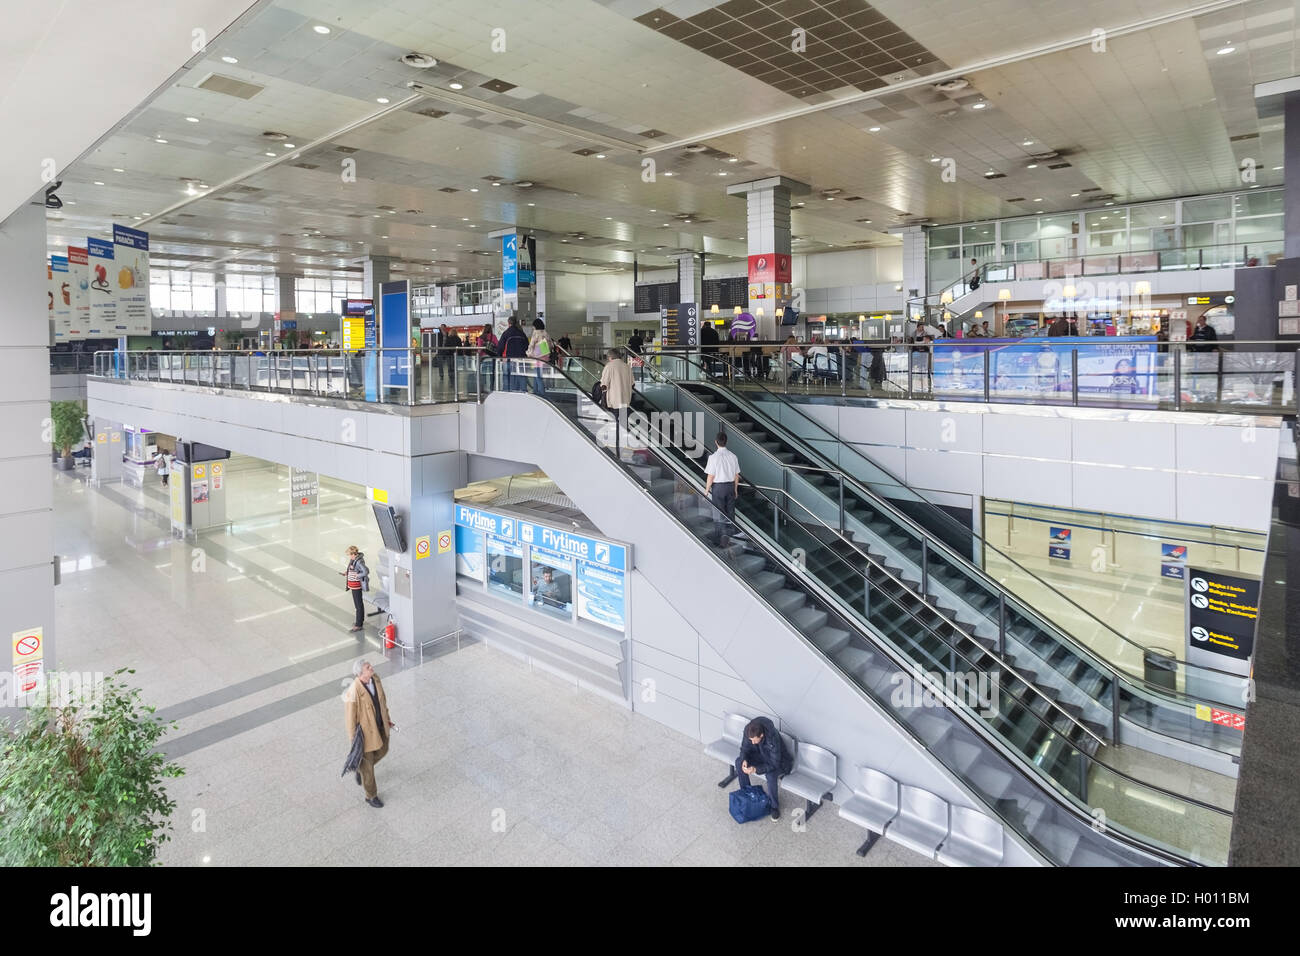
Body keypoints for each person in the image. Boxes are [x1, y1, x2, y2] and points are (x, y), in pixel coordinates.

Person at [344, 658, 395, 808]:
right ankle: (370, 796)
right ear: (361, 673)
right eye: (368, 667)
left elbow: (382, 701)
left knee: (383, 749)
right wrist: (353, 738)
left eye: (369, 665)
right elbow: (349, 718)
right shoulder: (353, 691)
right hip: (365, 734)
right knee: (368, 767)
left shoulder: (376, 679)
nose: (371, 667)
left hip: (379, 725)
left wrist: (387, 718)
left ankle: (360, 770)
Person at [734, 716, 792, 822]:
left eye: (754, 740)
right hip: (760, 755)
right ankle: (747, 793)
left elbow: (774, 763)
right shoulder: (749, 731)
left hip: (779, 762)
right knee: (739, 762)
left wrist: (756, 769)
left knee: (770, 775)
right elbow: (744, 748)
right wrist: (744, 759)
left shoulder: (772, 739)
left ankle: (774, 807)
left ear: (761, 735)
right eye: (751, 740)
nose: (752, 743)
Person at [703, 432, 741, 547]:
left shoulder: (713, 457)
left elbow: (711, 476)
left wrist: (706, 490)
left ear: (716, 442)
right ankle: (731, 537)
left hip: (718, 488)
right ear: (726, 442)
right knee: (730, 512)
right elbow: (736, 475)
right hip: (730, 486)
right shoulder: (733, 456)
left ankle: (720, 539)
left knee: (719, 513)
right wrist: (735, 489)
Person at [497, 314, 530, 392]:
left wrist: (499, 357)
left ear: (509, 323)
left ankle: (507, 392)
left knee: (506, 376)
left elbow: (500, 347)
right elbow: (527, 346)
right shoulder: (521, 333)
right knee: (521, 375)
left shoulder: (506, 333)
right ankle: (522, 391)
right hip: (520, 359)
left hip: (507, 359)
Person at [341, 545, 370, 633]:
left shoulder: (359, 561)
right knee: (357, 605)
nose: (349, 556)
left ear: (354, 554)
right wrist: (347, 573)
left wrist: (357, 576)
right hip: (353, 585)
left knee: (358, 605)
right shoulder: (353, 560)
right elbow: (353, 570)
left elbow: (366, 571)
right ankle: (359, 621)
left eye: (349, 554)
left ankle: (358, 625)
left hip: (356, 586)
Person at [527, 318, 552, 395]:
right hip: (545, 358)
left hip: (537, 358)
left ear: (535, 326)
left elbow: (531, 345)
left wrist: (528, 354)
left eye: (533, 326)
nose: (532, 327)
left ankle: (542, 393)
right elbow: (550, 345)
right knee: (537, 376)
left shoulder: (536, 333)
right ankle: (535, 391)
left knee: (538, 377)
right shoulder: (546, 333)